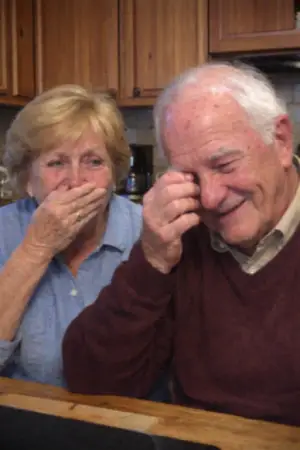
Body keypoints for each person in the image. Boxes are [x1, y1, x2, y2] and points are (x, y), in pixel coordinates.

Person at [63, 62, 300, 426]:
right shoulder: (180, 235)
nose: (209, 197)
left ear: (281, 141)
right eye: (189, 176)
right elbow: (92, 381)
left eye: (223, 164)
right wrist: (152, 260)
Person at [0, 84, 143, 387]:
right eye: (56, 163)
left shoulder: (147, 233)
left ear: (114, 174)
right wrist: (36, 248)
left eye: (94, 162)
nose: (77, 181)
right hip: (28, 423)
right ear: (27, 180)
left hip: (133, 424)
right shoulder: (4, 231)